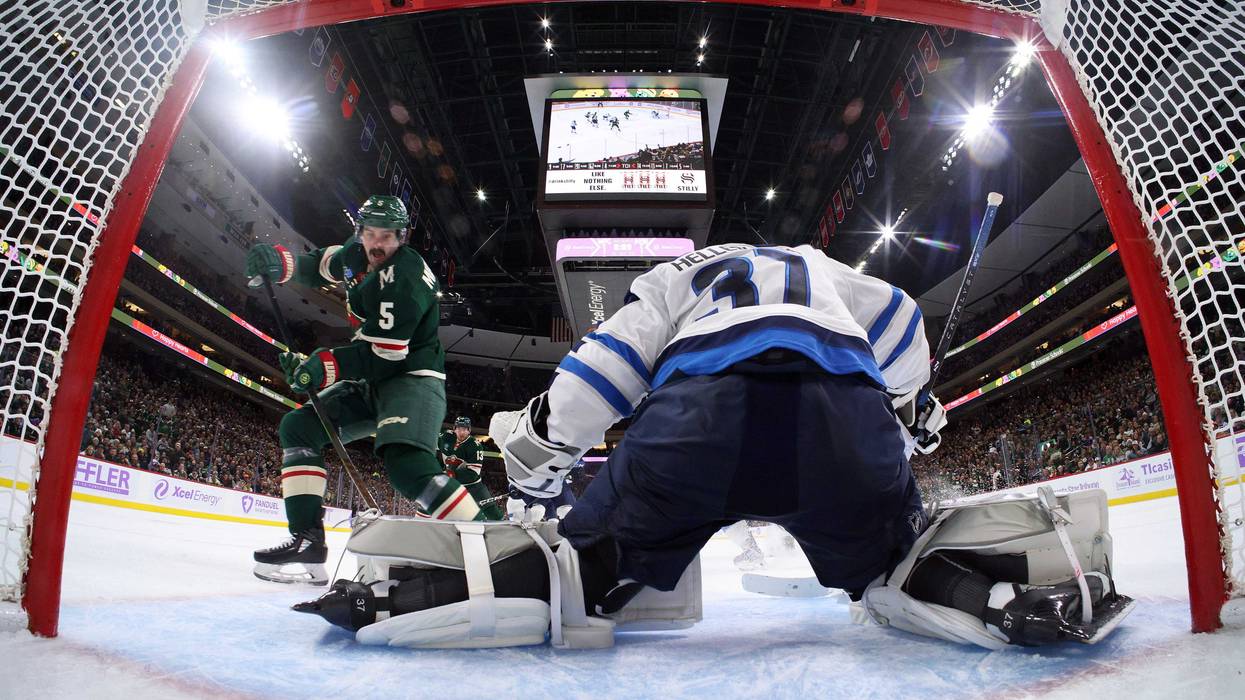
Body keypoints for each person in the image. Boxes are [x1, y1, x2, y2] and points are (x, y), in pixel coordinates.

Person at [296, 243, 1132, 649]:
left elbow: (607, 368)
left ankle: (408, 592)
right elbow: (906, 324)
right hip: (839, 420)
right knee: (892, 561)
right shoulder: (824, 266)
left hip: (699, 421)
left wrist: (543, 443)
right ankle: (997, 598)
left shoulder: (677, 275)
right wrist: (912, 412)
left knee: (579, 569)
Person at [243, 195, 498, 585]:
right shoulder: (354, 253)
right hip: (373, 375)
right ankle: (308, 542)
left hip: (412, 378)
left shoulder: (407, 278)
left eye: (388, 237)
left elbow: (385, 357)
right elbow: (316, 266)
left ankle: (491, 552)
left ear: (402, 238)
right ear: (359, 232)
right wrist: (281, 264)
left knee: (407, 467)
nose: (378, 244)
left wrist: (325, 366)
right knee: (299, 428)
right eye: (371, 233)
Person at [437, 416, 504, 519]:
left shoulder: (475, 446)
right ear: (454, 429)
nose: (461, 432)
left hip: (473, 486)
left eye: (464, 429)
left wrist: (452, 475)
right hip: (450, 484)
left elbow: (473, 473)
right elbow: (432, 443)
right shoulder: (446, 436)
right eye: (459, 429)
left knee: (492, 512)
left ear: (469, 431)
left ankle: (502, 529)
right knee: (433, 502)